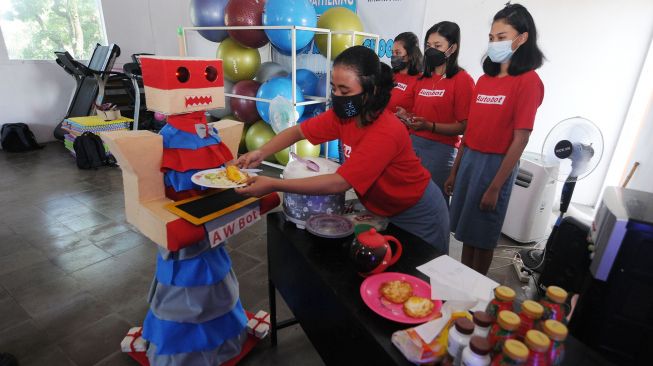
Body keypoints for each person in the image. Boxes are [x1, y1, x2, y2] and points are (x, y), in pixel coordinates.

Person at [236, 46, 450, 253]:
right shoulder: (344, 116)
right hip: (381, 209)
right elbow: (298, 132)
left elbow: (340, 182)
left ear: (371, 89)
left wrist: (274, 184)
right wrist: (261, 152)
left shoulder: (386, 131)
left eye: (344, 90)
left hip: (419, 214)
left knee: (421, 279)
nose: (336, 96)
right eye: (333, 88)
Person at [446, 3, 545, 275]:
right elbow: (471, 130)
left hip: (495, 166)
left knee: (484, 234)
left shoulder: (528, 81)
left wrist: (495, 186)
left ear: (522, 38)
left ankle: (478, 286)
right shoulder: (485, 80)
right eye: (491, 37)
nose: (494, 43)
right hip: (469, 160)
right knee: (467, 232)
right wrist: (455, 170)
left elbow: (520, 139)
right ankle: (464, 282)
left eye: (502, 37)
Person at [396, 22, 475, 197]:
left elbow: (465, 126)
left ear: (452, 48)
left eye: (438, 46)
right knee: (407, 200)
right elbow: (420, 115)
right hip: (413, 145)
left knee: (433, 204)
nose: (431, 50)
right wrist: (406, 116)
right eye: (428, 46)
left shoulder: (462, 80)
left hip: (441, 151)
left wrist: (430, 126)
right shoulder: (423, 78)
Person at [387, 32, 423, 113]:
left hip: (403, 125)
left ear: (410, 55)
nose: (394, 56)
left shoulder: (420, 80)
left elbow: (421, 114)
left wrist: (407, 115)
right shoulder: (389, 75)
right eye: (392, 53)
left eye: (398, 53)